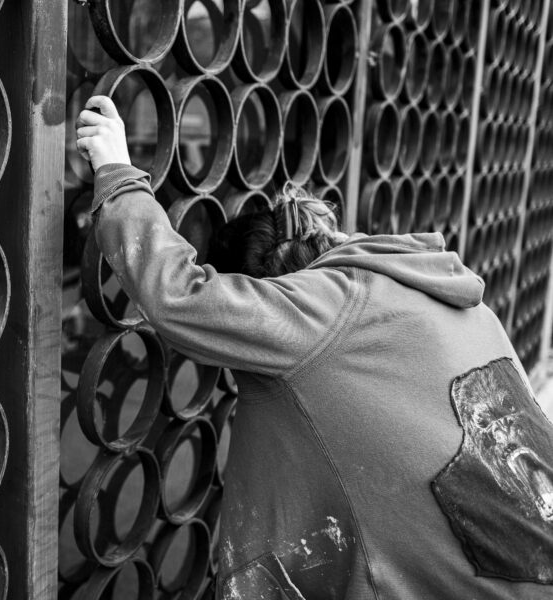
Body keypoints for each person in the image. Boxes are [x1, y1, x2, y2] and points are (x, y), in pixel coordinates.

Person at [75, 95, 553, 600]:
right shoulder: (442, 294)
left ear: (264, 291)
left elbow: (179, 297)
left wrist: (118, 171)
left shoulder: (319, 315)